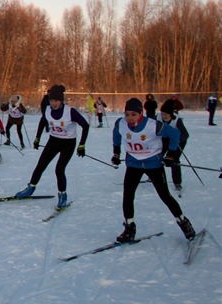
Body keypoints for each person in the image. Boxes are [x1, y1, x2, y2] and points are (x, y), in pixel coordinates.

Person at [110, 98, 196, 243]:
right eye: (127, 114)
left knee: (165, 196)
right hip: (133, 164)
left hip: (153, 164)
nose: (130, 118)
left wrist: (170, 154)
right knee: (128, 195)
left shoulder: (153, 125)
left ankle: (184, 223)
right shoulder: (120, 123)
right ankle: (129, 228)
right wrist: (116, 153)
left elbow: (175, 134)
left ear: (140, 113)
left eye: (133, 114)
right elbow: (116, 136)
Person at [15, 85, 89, 209]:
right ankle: (30, 188)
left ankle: (62, 195)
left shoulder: (70, 111)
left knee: (59, 169)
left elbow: (85, 126)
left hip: (68, 143)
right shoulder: (48, 110)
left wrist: (82, 145)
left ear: (61, 100)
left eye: (56, 101)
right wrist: (37, 138)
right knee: (40, 165)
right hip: (53, 141)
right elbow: (43, 121)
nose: (54, 103)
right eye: (51, 101)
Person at [157, 99, 189, 191]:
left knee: (174, 159)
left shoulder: (177, 120)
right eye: (162, 114)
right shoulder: (157, 117)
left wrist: (177, 140)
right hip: (164, 139)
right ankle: (154, 176)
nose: (164, 116)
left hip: (178, 141)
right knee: (158, 156)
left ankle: (177, 182)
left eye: (166, 114)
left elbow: (185, 135)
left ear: (171, 114)